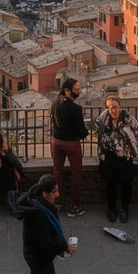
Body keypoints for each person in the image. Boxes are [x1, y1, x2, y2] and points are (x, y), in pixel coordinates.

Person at [14, 175, 87, 274]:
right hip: (38, 258)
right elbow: (46, 244)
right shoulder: (39, 216)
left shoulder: (37, 204)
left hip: (34, 253)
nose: (58, 194)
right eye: (54, 192)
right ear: (44, 193)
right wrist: (65, 245)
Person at [95, 96, 138, 223]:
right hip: (110, 157)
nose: (113, 110)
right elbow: (94, 125)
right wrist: (105, 112)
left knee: (126, 183)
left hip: (126, 157)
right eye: (110, 108)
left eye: (115, 107)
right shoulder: (104, 119)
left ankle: (124, 209)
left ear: (120, 107)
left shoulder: (127, 117)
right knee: (110, 184)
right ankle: (111, 209)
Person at [50, 78, 89, 217]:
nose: (79, 92)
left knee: (57, 171)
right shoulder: (75, 108)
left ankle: (56, 202)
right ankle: (74, 206)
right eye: (76, 89)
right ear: (67, 90)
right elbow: (81, 130)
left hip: (56, 141)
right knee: (76, 173)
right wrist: (86, 132)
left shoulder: (55, 102)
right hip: (71, 143)